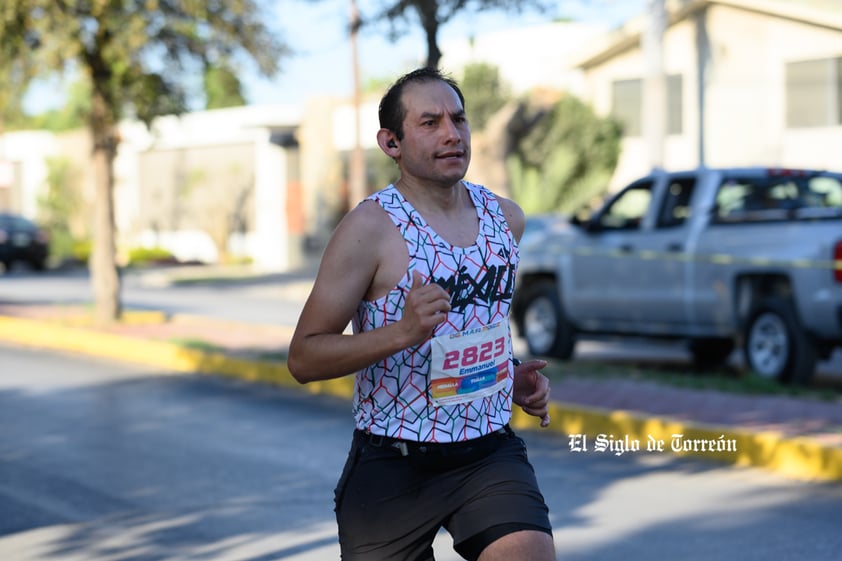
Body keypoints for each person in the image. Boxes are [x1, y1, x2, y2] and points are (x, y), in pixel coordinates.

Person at [288, 67, 555, 561]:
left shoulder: (506, 219)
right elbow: (304, 358)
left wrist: (507, 376)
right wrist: (402, 332)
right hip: (393, 464)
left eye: (459, 119)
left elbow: (477, 326)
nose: (452, 134)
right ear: (391, 143)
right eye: (429, 122)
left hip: (487, 455)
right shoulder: (368, 229)